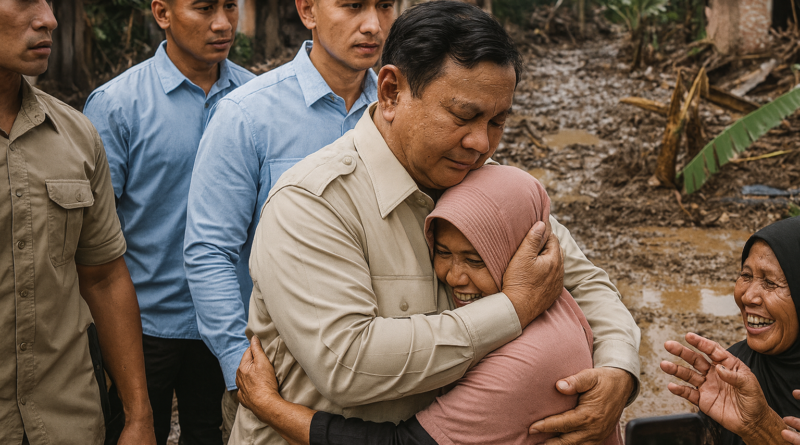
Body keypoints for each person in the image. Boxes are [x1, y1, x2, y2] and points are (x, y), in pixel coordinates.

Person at [230, 3, 641, 444]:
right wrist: (514, 308)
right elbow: (348, 366)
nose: (481, 142)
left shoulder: (488, 184)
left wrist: (617, 369)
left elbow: (587, 284)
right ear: (390, 92)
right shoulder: (313, 203)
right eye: (463, 117)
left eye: (497, 121)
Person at [235, 165, 624, 445]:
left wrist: (271, 408)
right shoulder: (311, 201)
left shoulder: (527, 360)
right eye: (441, 253)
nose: (454, 276)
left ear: (528, 248)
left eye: (475, 259)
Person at [182, 0, 393, 429]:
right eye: (353, 6)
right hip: (279, 376)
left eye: (386, 5)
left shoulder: (403, 110)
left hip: (387, 368)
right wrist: (238, 365)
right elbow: (210, 251)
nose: (373, 24)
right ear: (308, 10)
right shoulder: (247, 116)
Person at [82, 0, 254, 443]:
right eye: (203, 9)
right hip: (142, 324)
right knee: (136, 431)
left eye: (230, 7)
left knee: (213, 433)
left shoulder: (255, 100)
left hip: (228, 320)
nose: (223, 23)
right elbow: (92, 233)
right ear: (162, 13)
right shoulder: (117, 105)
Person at [0, 1, 156, 444]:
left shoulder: (77, 135)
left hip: (68, 420)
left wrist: (139, 416)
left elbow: (104, 278)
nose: (49, 18)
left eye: (49, 2)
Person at [661, 215, 800, 445]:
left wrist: (763, 429)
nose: (747, 296)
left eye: (770, 282)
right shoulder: (732, 373)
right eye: (746, 276)